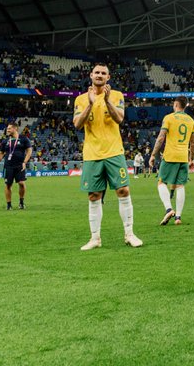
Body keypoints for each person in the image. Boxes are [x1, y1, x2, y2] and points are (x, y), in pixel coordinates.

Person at [74, 64, 141, 250]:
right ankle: (95, 238)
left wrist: (107, 100)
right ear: (91, 75)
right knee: (94, 195)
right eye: (97, 72)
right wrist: (90, 102)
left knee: (123, 191)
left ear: (108, 77)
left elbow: (119, 118)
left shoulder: (117, 95)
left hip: (114, 152)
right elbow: (77, 124)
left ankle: (129, 234)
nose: (100, 75)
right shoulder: (80, 99)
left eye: (103, 73)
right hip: (92, 153)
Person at [150, 98, 194, 226]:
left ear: (175, 105)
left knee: (161, 182)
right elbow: (193, 142)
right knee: (180, 185)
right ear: (185, 106)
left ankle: (169, 209)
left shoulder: (169, 118)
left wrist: (153, 155)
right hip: (183, 157)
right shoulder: (191, 121)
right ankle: (178, 217)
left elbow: (161, 138)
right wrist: (191, 159)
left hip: (170, 155)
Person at [0, 123, 32, 210]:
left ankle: (21, 202)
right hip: (8, 166)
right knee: (8, 185)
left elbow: (29, 151)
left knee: (21, 183)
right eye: (7, 129)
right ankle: (9, 205)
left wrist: (25, 162)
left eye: (9, 128)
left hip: (20, 165)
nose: (7, 130)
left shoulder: (24, 139)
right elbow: (1, 153)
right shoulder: (5, 141)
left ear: (15, 129)